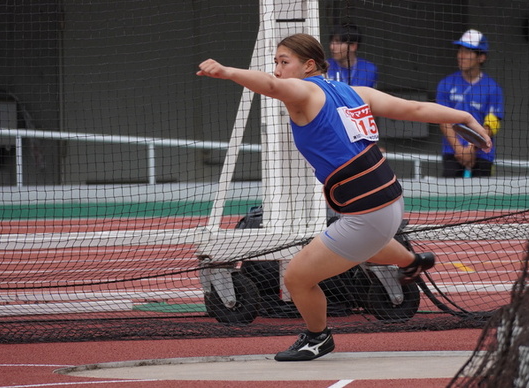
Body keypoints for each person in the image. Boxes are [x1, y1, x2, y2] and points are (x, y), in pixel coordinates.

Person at [197, 33, 490, 362]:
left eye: (284, 62)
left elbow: (272, 86)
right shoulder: (354, 92)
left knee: (297, 277)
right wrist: (461, 116)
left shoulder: (304, 90)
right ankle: (411, 261)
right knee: (363, 244)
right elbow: (415, 109)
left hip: (368, 212)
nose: (277, 69)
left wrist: (227, 71)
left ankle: (317, 337)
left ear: (309, 65)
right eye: (275, 63)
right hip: (389, 203)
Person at [436, 29, 504, 178]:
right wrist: (460, 149)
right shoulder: (446, 83)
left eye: (467, 52)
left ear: (481, 57)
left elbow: (492, 123)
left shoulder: (493, 88)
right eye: (460, 50)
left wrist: (471, 148)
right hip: (452, 152)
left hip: (482, 155)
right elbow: (442, 119)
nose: (461, 56)